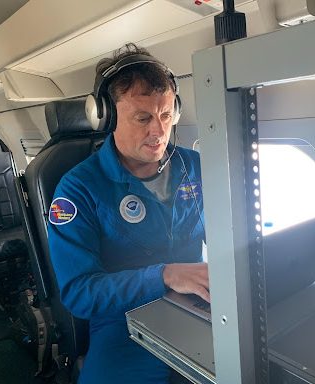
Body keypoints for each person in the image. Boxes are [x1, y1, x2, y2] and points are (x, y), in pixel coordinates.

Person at [47, 43, 208, 384]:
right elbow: (79, 293)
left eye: (166, 115)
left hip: (199, 306)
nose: (159, 131)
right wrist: (163, 276)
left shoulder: (194, 166)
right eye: (143, 118)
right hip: (122, 322)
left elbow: (231, 232)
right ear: (105, 117)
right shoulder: (78, 189)